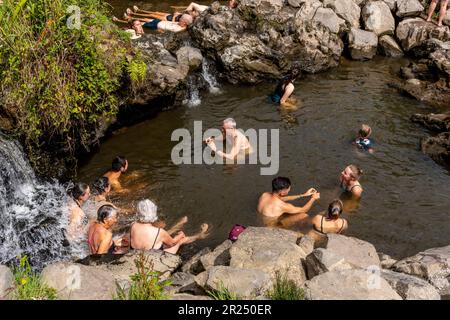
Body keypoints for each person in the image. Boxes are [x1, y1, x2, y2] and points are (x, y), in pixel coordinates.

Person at [130, 199, 210, 254]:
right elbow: (172, 243)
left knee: (162, 236)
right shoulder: (158, 231)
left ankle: (179, 224)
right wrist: (180, 235)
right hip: (154, 256)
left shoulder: (133, 225)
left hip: (138, 253)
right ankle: (200, 235)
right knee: (180, 240)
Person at [119, 11, 193, 33]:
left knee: (138, 24)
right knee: (144, 19)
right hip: (160, 21)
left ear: (184, 23)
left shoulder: (178, 29)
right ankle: (128, 18)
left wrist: (158, 30)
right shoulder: (182, 25)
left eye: (181, 19)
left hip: (155, 25)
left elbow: (166, 32)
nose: (179, 19)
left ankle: (121, 21)